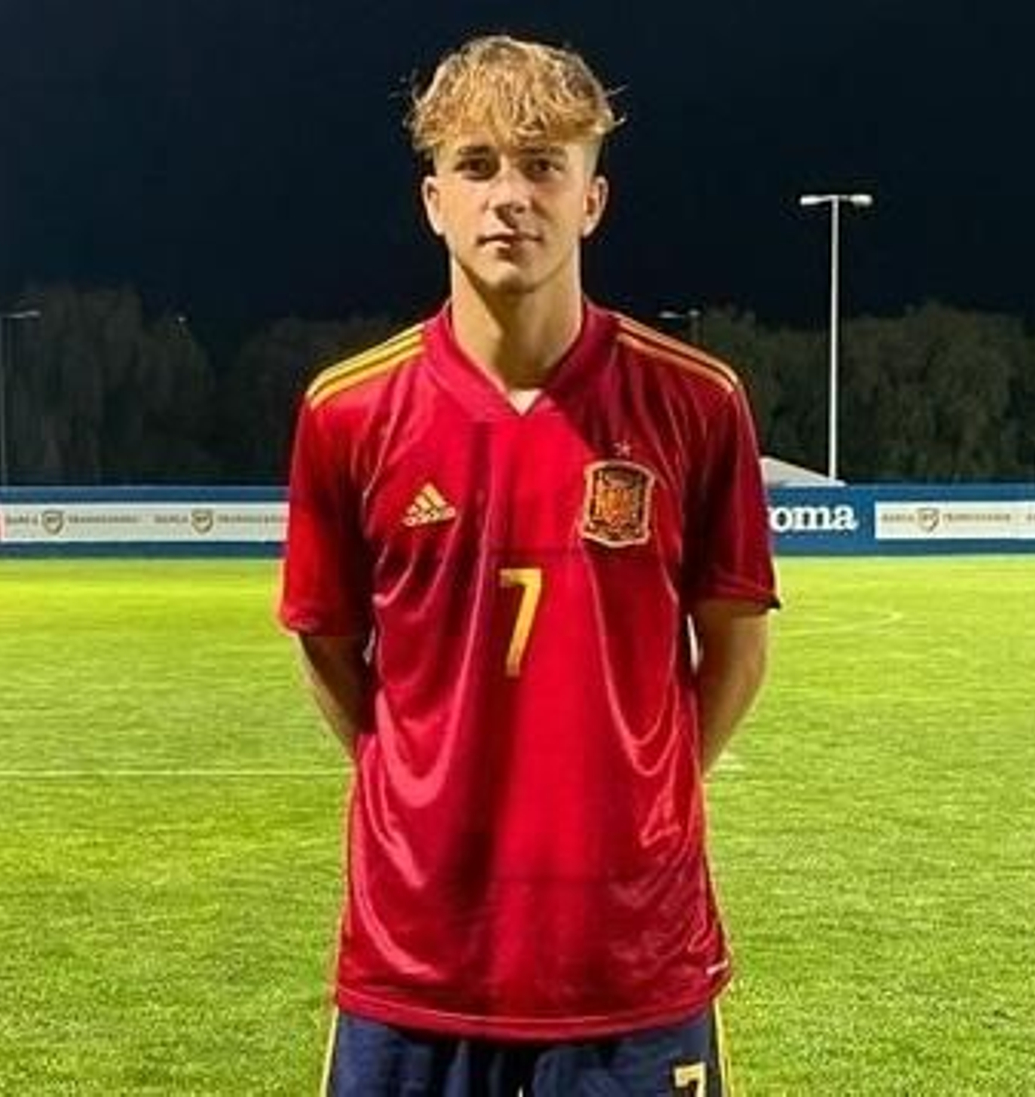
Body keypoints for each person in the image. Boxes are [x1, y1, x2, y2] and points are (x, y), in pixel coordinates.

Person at [280, 32, 777, 1096]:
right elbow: (327, 643)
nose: (511, 195)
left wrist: (641, 795)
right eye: (477, 165)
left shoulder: (696, 402)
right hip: (415, 957)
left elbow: (736, 648)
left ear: (592, 200)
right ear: (434, 201)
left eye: (544, 164)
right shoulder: (347, 412)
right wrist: (416, 785)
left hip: (630, 956)